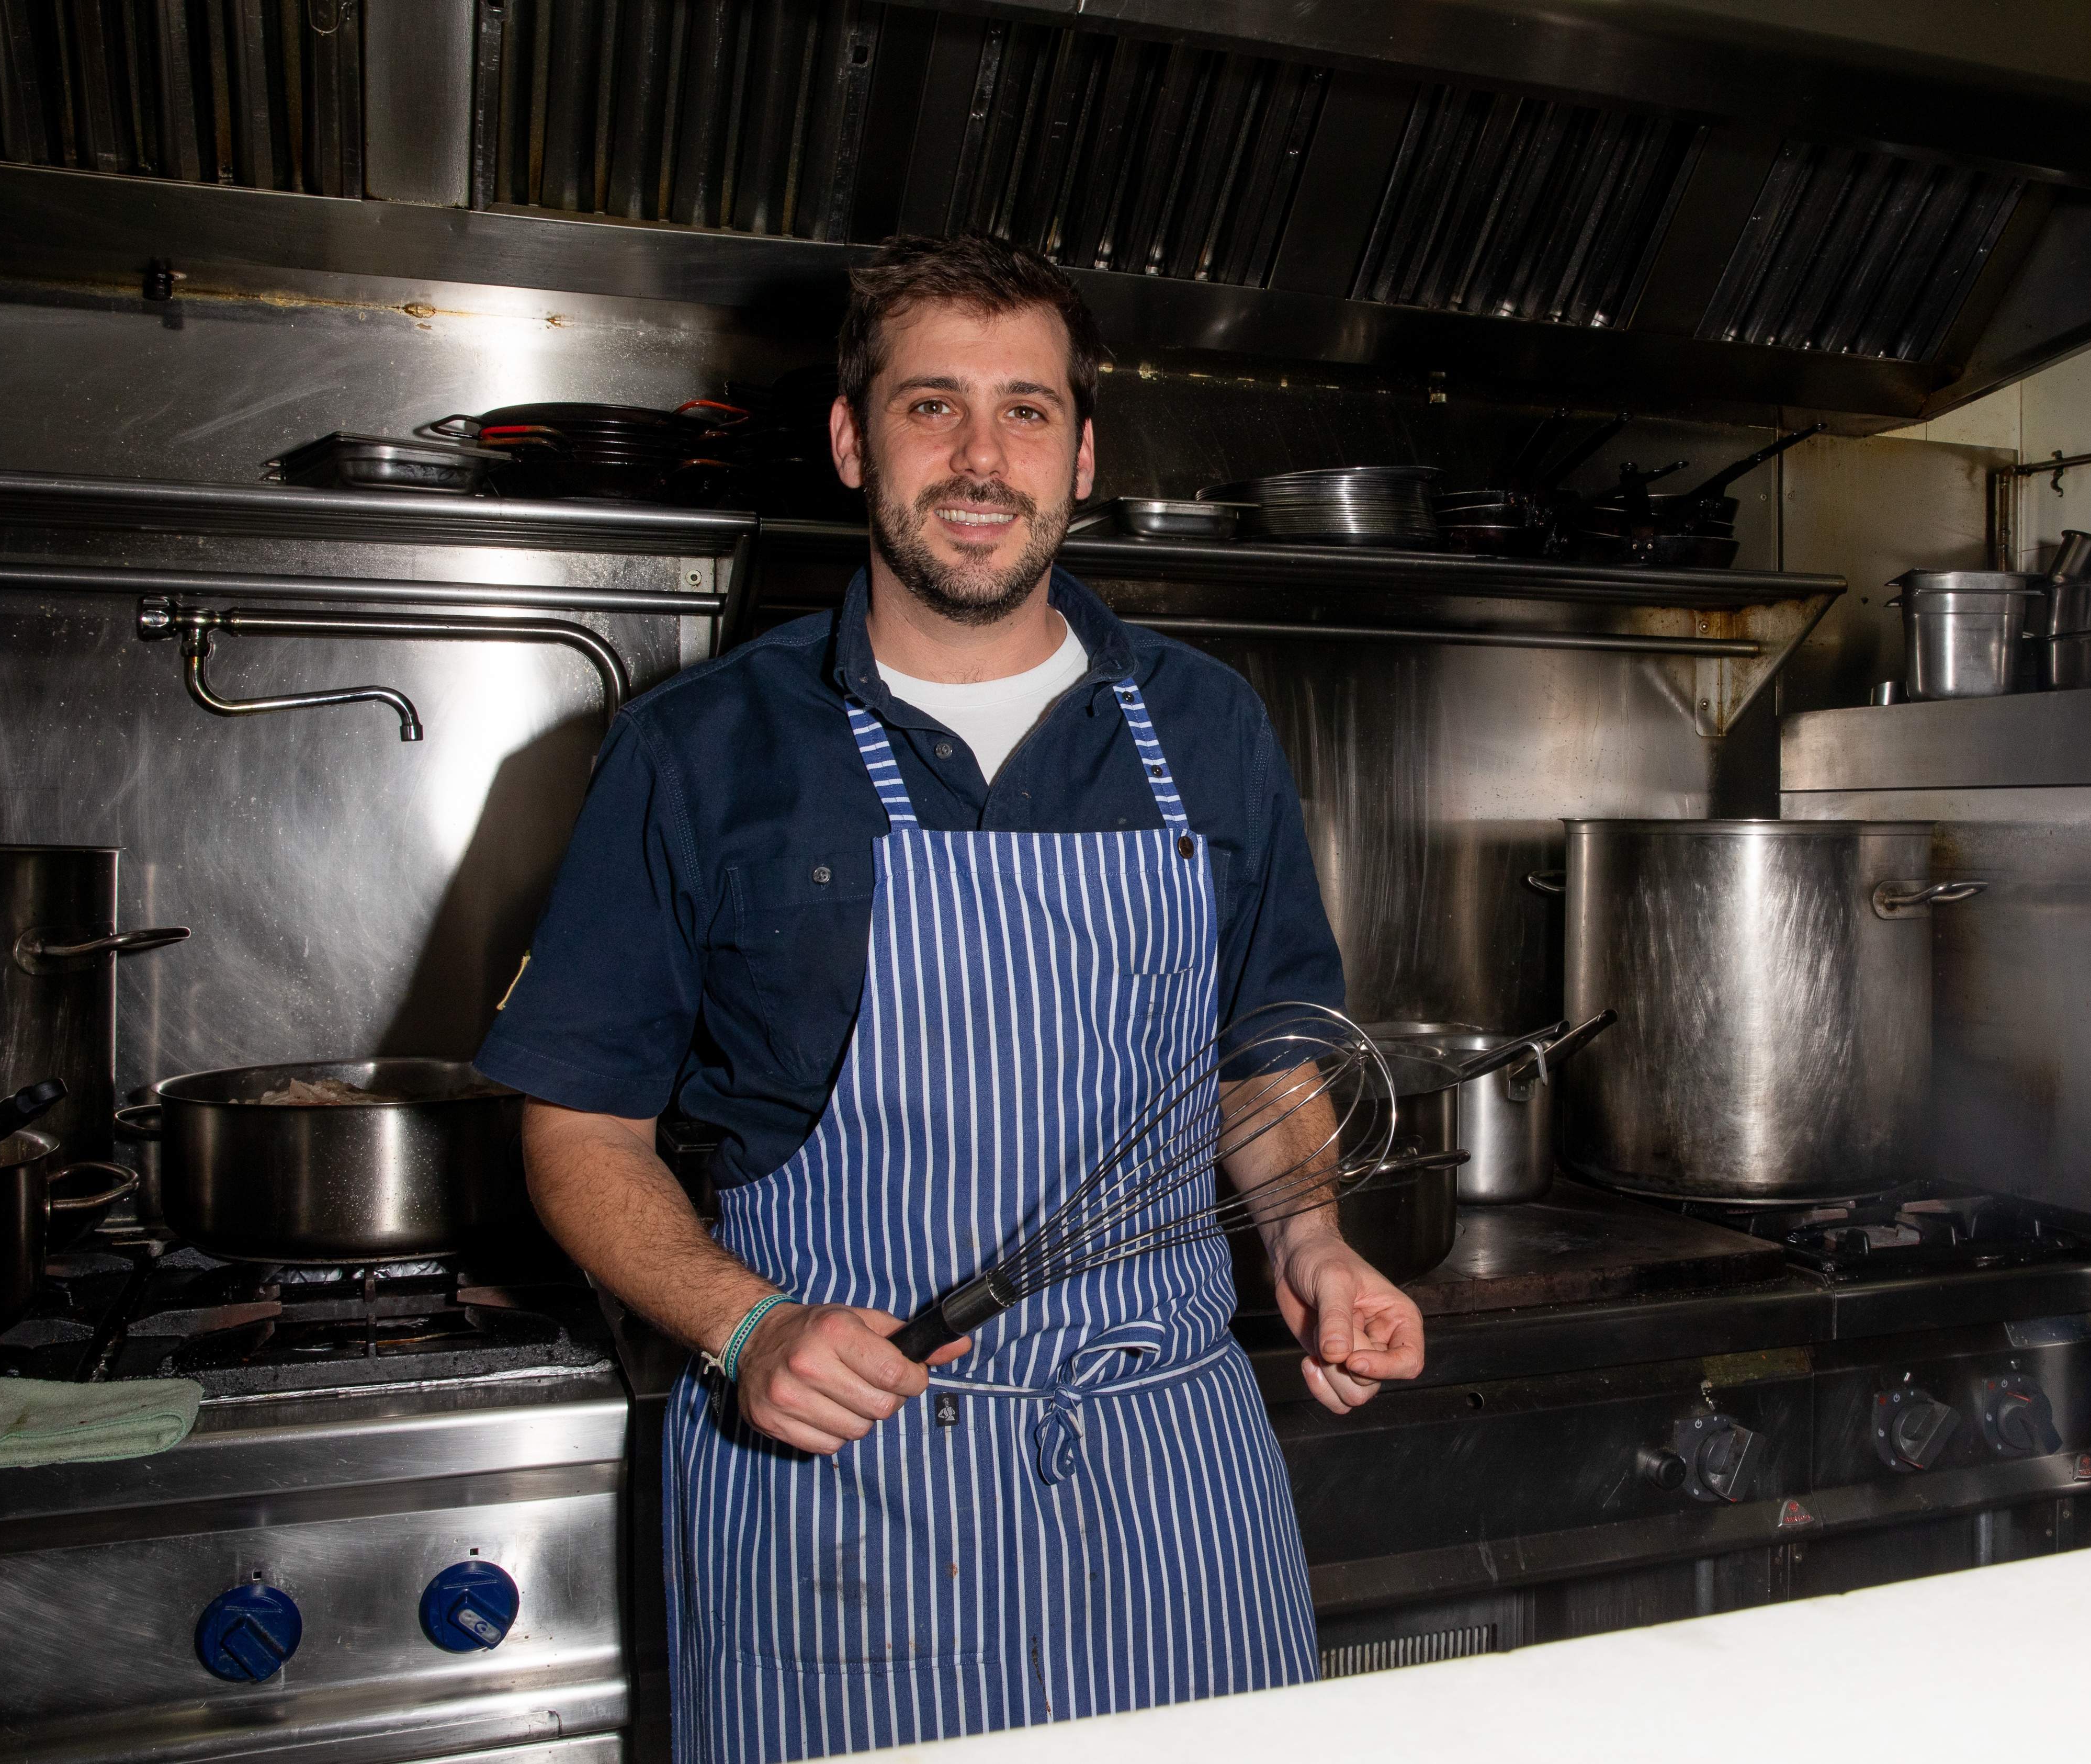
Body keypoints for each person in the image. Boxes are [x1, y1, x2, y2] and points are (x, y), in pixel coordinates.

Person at [477, 232, 1424, 1763]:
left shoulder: (1205, 723)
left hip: (1168, 1474)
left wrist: (1309, 1241)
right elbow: (579, 1129)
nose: (982, 457)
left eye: (1026, 410)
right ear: (853, 441)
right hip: (846, 1480)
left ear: (1082, 454)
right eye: (932, 406)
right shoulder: (700, 751)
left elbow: (1265, 1057)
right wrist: (744, 1326)